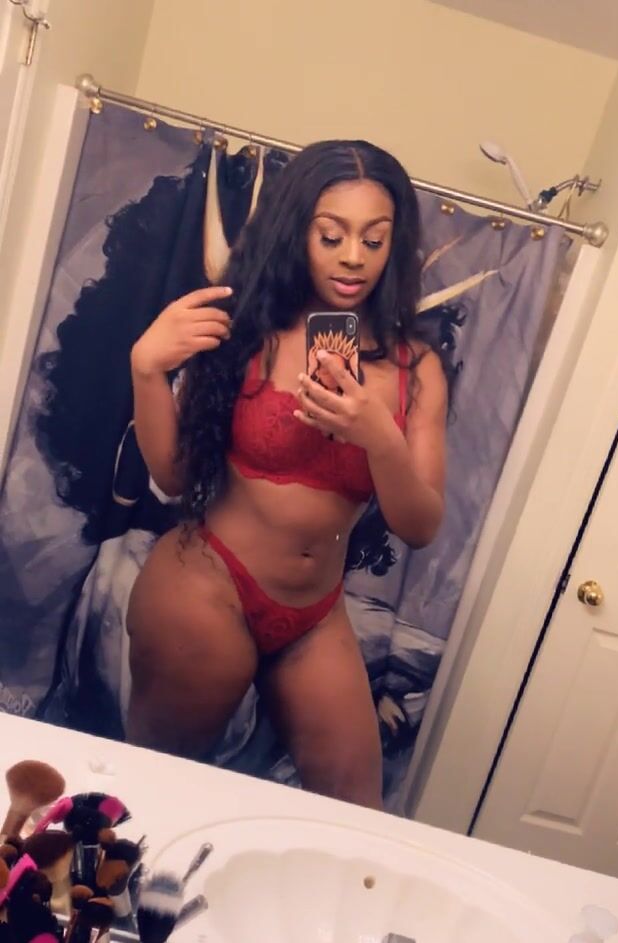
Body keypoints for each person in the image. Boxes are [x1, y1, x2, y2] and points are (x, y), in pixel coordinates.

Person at [126, 139, 447, 808]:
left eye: (374, 238)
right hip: (207, 586)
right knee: (157, 791)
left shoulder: (415, 368)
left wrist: (379, 437)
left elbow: (420, 526)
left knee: (354, 810)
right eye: (331, 235)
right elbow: (174, 477)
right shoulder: (246, 331)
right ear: (298, 232)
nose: (353, 256)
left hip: (315, 613)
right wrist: (146, 369)